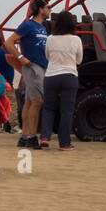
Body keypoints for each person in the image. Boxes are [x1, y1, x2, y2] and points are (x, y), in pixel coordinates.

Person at [6, 0, 51, 150]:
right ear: (40, 9)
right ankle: (31, 137)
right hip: (32, 67)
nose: (49, 10)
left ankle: (25, 136)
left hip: (41, 67)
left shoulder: (42, 27)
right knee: (38, 101)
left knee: (30, 102)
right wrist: (20, 58)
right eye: (47, 7)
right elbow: (9, 42)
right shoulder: (27, 25)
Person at [39, 12, 84, 151]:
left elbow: (47, 56)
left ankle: (45, 137)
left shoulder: (50, 38)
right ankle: (64, 143)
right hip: (69, 76)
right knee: (66, 111)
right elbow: (79, 60)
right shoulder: (76, 39)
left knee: (48, 108)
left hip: (51, 76)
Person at [0, 35, 18, 133]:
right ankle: (14, 127)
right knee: (11, 104)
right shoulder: (5, 53)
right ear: (3, 43)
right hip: (6, 83)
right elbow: (17, 60)